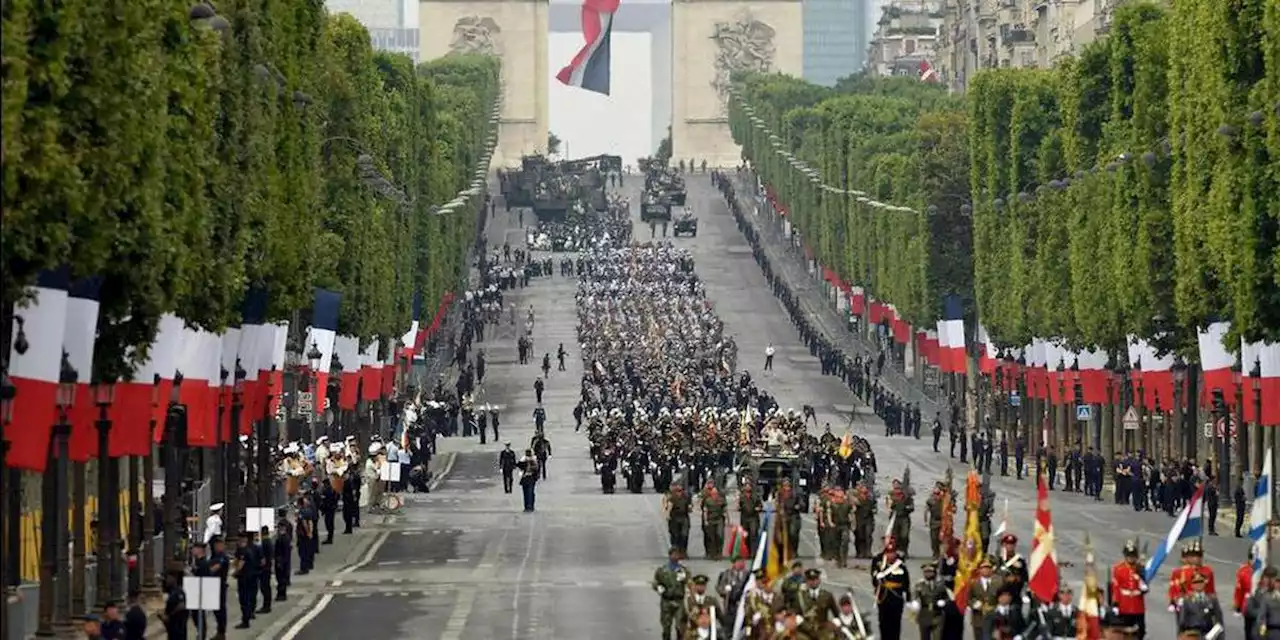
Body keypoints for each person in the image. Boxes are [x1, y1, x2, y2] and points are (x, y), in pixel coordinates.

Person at [1110, 540, 1149, 637]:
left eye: (1132, 556)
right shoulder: (1118, 569)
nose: (1131, 558)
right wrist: (1115, 603)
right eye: (1129, 556)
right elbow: (1116, 588)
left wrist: (1142, 584)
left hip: (1137, 604)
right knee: (1124, 630)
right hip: (1124, 604)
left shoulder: (1140, 568)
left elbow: (1145, 587)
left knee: (1141, 631)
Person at [652, 547, 689, 640]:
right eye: (673, 554)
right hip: (666, 601)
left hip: (679, 601)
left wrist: (685, 578)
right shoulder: (662, 570)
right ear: (669, 555)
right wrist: (658, 587)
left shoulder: (683, 570)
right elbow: (655, 581)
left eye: (677, 554)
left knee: (680, 626)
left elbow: (690, 582)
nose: (675, 556)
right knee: (666, 627)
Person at [233, 531, 260, 629]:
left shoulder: (244, 551)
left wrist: (235, 572)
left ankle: (246, 619)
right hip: (250, 576)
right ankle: (248, 615)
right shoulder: (246, 550)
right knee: (248, 597)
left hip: (245, 578)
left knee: (244, 599)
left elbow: (240, 564)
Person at [161, 566, 189, 640]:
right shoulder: (171, 593)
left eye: (167, 578)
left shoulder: (178, 592)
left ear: (174, 578)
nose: (166, 580)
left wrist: (169, 615)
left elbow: (182, 606)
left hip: (178, 631)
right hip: (172, 631)